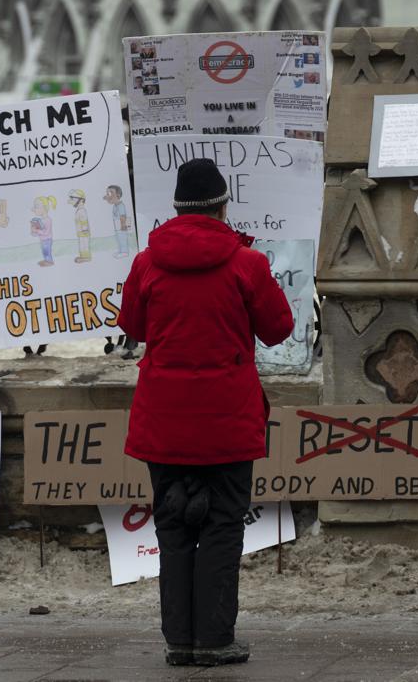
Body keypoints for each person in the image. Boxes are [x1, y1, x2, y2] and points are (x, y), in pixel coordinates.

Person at [118, 158, 293, 667]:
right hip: (227, 419)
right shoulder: (246, 264)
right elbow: (279, 329)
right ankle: (215, 639)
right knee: (221, 525)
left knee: (172, 527)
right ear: (222, 206)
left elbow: (134, 325)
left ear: (175, 208)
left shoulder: (146, 263)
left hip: (164, 420)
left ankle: (179, 641)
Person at [103, 185, 133, 258]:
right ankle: (120, 250)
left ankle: (124, 252)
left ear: (118, 195)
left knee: (122, 239)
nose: (108, 196)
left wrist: (123, 226)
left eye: (110, 193)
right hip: (117, 227)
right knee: (119, 239)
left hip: (121, 228)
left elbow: (123, 216)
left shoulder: (120, 205)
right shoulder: (115, 206)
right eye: (107, 194)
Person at [30, 196, 56, 266]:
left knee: (47, 251)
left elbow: (46, 232)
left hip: (47, 239)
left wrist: (37, 230)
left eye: (36, 206)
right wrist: (34, 230)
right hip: (43, 239)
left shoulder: (48, 220)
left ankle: (49, 261)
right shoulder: (41, 220)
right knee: (44, 251)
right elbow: (40, 231)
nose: (34, 209)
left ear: (44, 208)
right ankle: (46, 260)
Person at [68, 188, 91, 263]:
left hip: (84, 233)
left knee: (84, 245)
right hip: (81, 233)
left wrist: (84, 230)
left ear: (81, 200)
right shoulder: (79, 210)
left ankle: (86, 257)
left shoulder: (82, 210)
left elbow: (84, 221)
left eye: (73, 199)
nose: (71, 201)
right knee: (81, 245)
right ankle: (83, 256)